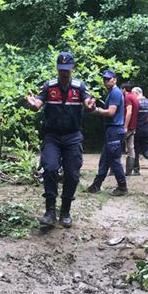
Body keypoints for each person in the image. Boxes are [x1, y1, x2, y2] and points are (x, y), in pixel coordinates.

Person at [25, 52, 96, 228]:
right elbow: (37, 104)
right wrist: (33, 104)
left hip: (73, 136)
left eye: (67, 69)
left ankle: (65, 211)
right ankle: (50, 211)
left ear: (73, 68)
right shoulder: (49, 86)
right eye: (61, 70)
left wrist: (90, 106)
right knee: (49, 168)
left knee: (72, 174)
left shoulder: (79, 87)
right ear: (57, 69)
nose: (64, 73)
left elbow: (88, 103)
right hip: (52, 136)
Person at [86, 69, 127, 196]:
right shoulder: (112, 93)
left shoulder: (115, 93)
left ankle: (122, 187)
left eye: (108, 79)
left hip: (114, 130)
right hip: (111, 130)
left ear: (115, 80)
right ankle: (96, 185)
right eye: (104, 79)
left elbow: (111, 112)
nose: (106, 81)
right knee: (105, 159)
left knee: (114, 160)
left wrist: (96, 110)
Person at [122, 84, 140, 176]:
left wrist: (125, 126)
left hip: (128, 127)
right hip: (133, 126)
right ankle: (128, 171)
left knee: (115, 145)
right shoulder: (135, 98)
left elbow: (129, 112)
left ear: (124, 89)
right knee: (130, 148)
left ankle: (113, 169)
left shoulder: (128, 97)